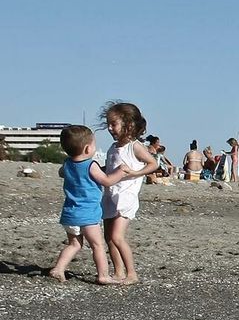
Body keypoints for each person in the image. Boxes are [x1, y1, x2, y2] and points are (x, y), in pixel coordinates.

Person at [48, 125, 143, 284]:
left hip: (69, 214)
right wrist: (121, 171)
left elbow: (61, 173)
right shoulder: (91, 165)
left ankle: (58, 268)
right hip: (88, 215)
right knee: (97, 245)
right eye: (93, 145)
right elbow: (107, 181)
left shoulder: (67, 164)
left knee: (74, 244)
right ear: (87, 149)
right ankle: (103, 275)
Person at [101, 102, 160, 285]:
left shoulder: (134, 147)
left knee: (118, 237)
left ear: (129, 125)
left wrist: (135, 173)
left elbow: (153, 164)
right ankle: (118, 272)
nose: (110, 128)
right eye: (108, 124)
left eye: (114, 124)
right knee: (109, 238)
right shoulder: (113, 147)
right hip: (110, 195)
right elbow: (110, 168)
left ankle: (132, 273)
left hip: (126, 197)